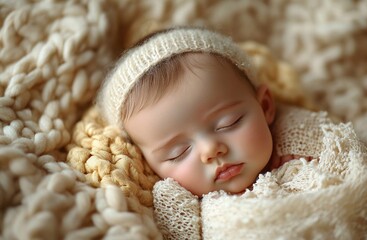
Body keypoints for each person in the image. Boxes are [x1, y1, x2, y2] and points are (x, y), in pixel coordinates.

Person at [97, 26, 316, 197]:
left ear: (265, 106)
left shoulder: (305, 142)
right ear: (147, 165)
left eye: (229, 123)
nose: (210, 150)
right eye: (178, 152)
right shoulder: (179, 211)